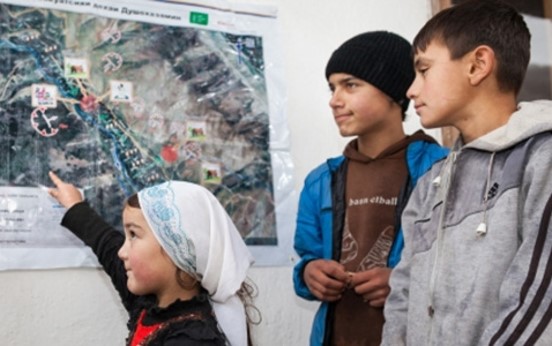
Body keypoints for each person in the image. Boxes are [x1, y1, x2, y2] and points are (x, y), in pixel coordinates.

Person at [382, 1, 552, 345]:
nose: (411, 90)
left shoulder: (542, 159)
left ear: (477, 65)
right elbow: (402, 292)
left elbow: (540, 298)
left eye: (424, 70)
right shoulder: (431, 182)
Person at [292, 31, 448, 346]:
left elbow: (466, 266)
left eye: (350, 85)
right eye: (332, 87)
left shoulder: (441, 169)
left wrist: (405, 283)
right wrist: (309, 273)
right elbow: (307, 255)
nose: (334, 100)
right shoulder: (320, 181)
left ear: (395, 92)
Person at [48, 171, 255, 346]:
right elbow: (107, 245)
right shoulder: (148, 304)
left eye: (134, 235)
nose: (122, 251)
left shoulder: (192, 339)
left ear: (177, 251)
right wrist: (74, 205)